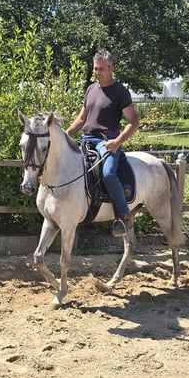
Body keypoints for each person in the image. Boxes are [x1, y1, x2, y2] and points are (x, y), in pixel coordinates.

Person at [65, 49, 140, 237]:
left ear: (111, 68)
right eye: (95, 69)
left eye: (100, 69)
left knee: (108, 174)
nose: (96, 73)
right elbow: (82, 118)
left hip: (107, 142)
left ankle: (123, 216)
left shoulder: (120, 91)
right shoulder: (91, 89)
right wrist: (65, 134)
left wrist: (118, 141)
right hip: (86, 140)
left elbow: (133, 121)